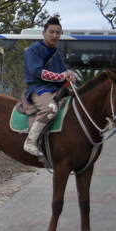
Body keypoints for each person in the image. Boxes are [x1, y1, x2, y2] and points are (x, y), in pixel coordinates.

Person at [23, 16, 76, 156]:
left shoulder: (57, 54)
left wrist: (70, 76)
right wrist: (61, 76)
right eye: (51, 32)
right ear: (44, 33)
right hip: (39, 88)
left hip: (56, 88)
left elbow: (64, 72)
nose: (55, 35)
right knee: (50, 108)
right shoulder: (33, 50)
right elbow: (37, 72)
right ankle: (30, 141)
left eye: (58, 33)